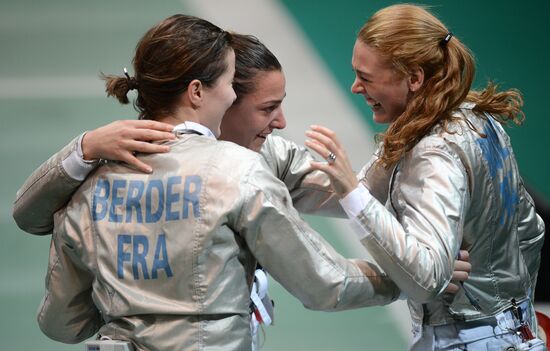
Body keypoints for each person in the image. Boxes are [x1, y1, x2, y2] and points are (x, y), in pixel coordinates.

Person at [13, 18, 470, 349]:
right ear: (197, 92)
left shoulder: (86, 185)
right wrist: (412, 275)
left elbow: (61, 324)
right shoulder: (240, 172)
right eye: (232, 84)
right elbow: (325, 284)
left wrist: (134, 308)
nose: (232, 94)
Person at [302, 4, 545, 350]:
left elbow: (426, 278)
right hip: (516, 331)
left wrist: (353, 193)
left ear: (414, 79)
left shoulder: (433, 152)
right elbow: (530, 230)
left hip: (465, 338)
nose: (356, 87)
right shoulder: (477, 120)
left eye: (366, 77)